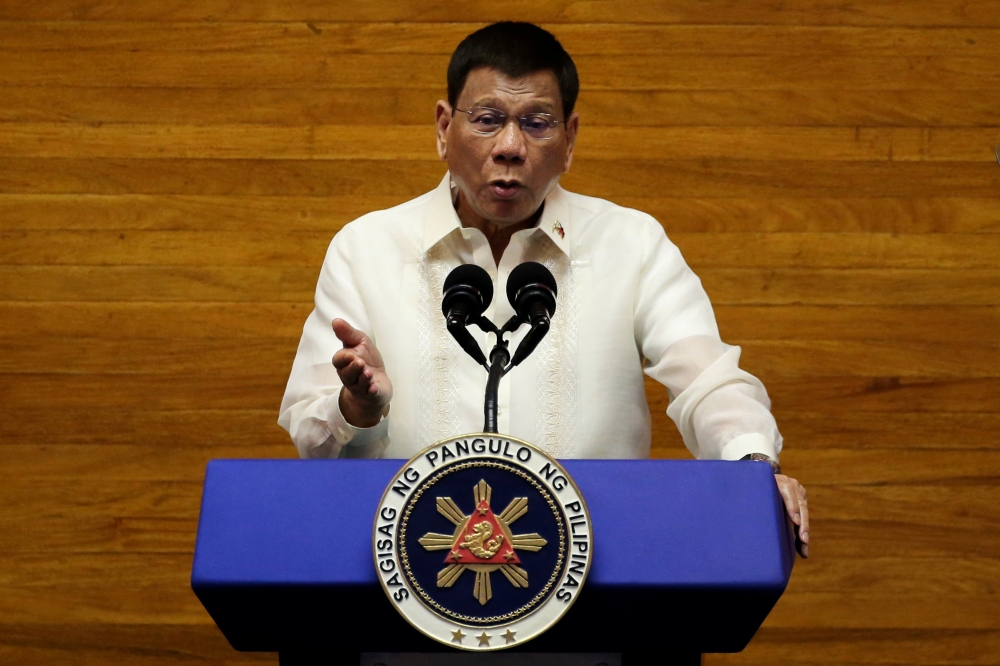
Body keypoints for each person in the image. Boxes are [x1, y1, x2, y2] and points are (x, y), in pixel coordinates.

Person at [279, 22, 809, 557]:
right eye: (487, 120)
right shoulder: (366, 248)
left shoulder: (630, 243)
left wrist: (752, 467)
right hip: (409, 582)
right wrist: (357, 408)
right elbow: (312, 437)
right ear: (444, 128)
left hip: (598, 582)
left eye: (537, 124)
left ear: (570, 138)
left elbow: (708, 381)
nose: (510, 147)